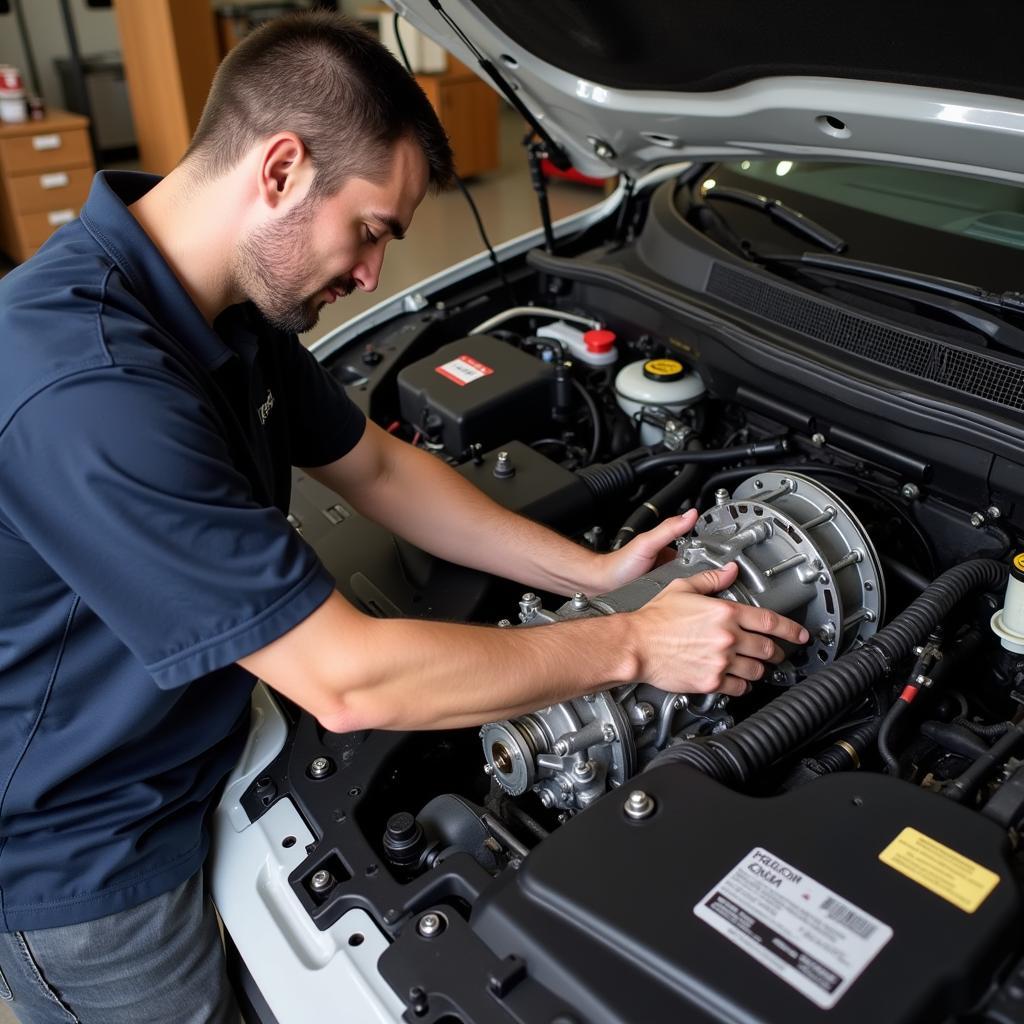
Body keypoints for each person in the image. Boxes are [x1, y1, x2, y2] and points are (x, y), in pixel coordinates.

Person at [0, 12, 807, 1024]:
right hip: (97, 855)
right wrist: (635, 646)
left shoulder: (211, 305)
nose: (375, 275)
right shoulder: (92, 388)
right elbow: (345, 680)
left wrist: (593, 576)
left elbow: (378, 466)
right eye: (373, 228)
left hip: (197, 746)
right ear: (282, 169)